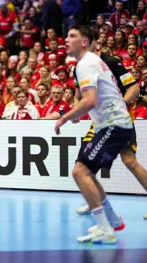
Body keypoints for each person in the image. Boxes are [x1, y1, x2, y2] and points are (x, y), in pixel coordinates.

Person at [54, 25, 134, 244]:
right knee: (85, 171)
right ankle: (112, 220)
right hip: (108, 124)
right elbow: (90, 100)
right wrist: (78, 112)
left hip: (114, 124)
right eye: (67, 35)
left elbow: (90, 101)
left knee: (79, 171)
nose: (66, 39)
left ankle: (105, 229)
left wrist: (64, 117)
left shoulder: (86, 63)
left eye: (72, 36)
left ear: (84, 42)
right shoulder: (89, 62)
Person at [74, 48, 147, 220]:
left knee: (129, 161)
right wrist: (76, 110)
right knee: (84, 164)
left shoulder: (111, 63)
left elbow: (134, 88)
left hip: (120, 119)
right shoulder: (80, 67)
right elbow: (78, 95)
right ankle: (94, 201)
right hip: (99, 122)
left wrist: (121, 105)